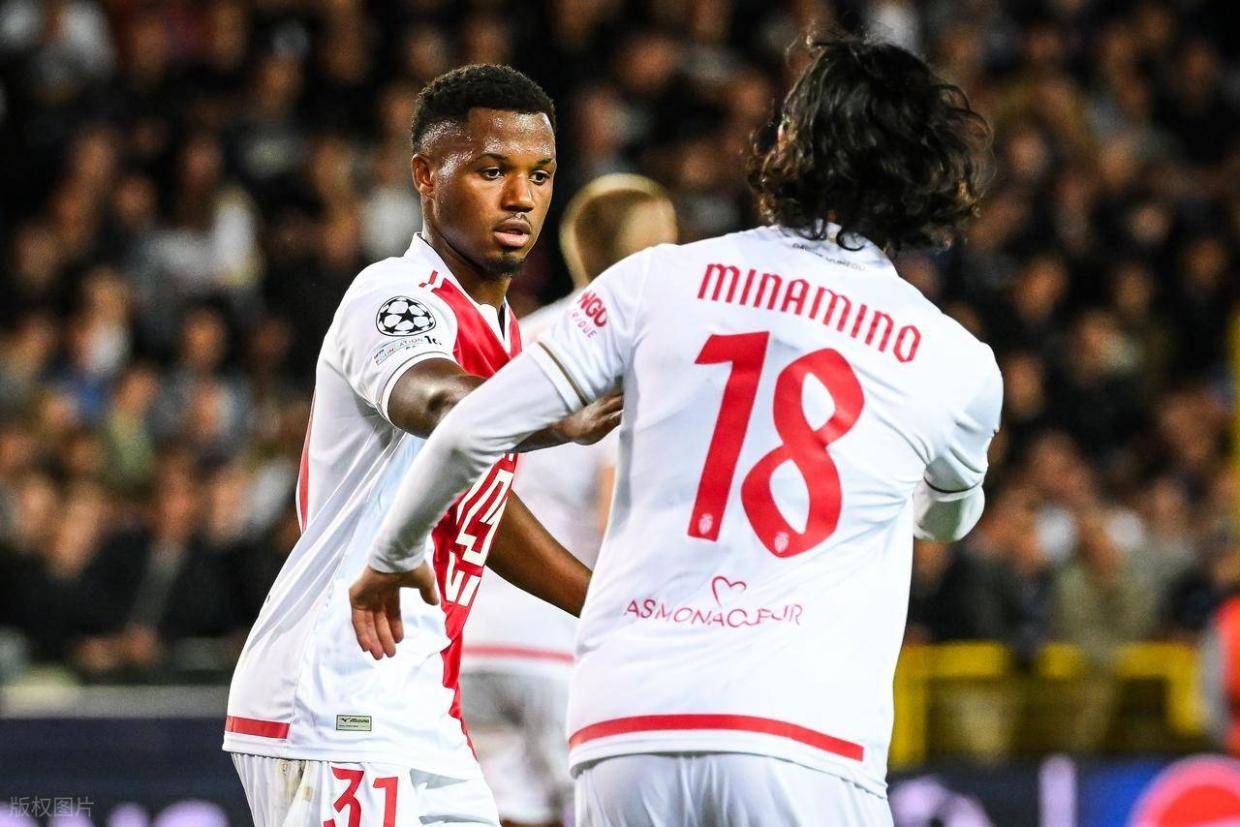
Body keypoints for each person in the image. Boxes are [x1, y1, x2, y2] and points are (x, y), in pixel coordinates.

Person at [351, 34, 1000, 826]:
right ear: (926, 172)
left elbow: (466, 432)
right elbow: (949, 517)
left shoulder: (657, 280)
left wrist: (391, 554)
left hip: (627, 723)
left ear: (786, 144)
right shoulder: (953, 360)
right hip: (801, 737)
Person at [224, 64, 620, 826]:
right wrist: (553, 412)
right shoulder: (395, 295)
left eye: (539, 175)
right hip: (339, 692)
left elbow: (480, 513)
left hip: (419, 705)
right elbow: (436, 401)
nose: (520, 196)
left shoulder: (502, 333)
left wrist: (604, 601)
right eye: (491, 170)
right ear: (425, 175)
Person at [459, 174, 677, 827]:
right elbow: (615, 519)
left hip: (473, 636)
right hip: (564, 640)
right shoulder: (632, 349)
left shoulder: (515, 338)